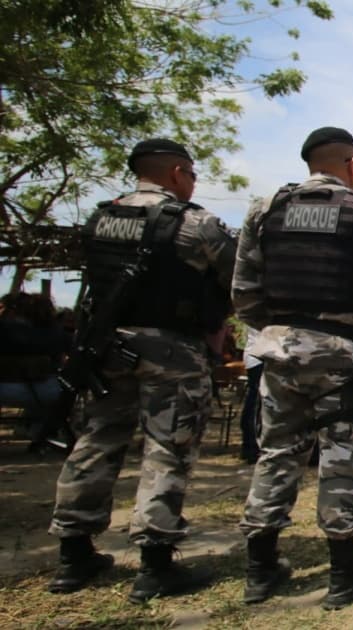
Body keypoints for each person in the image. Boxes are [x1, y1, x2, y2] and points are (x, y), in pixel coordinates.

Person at [233, 127, 353, 608]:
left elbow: (243, 294)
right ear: (352, 163)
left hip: (281, 354)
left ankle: (259, 570)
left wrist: (282, 329)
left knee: (276, 453)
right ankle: (345, 574)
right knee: (340, 458)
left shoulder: (266, 209)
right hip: (344, 355)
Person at [47, 139, 236, 602]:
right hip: (172, 349)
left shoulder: (100, 219)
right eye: (191, 174)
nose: (193, 183)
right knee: (169, 447)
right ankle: (155, 563)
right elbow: (237, 278)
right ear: (175, 173)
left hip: (106, 348)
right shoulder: (196, 224)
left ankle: (73, 556)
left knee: (97, 438)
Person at [0, 292, 72, 452]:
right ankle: (41, 432)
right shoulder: (58, 333)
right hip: (51, 392)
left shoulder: (4, 330)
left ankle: (32, 428)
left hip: (6, 391)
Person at [238, 326, 263, 464]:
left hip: (257, 356)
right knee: (255, 403)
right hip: (259, 357)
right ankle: (250, 446)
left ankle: (249, 445)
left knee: (254, 401)